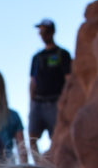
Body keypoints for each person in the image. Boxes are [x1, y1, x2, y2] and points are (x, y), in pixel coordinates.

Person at [29, 19, 72, 155]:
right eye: (40, 32)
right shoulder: (37, 57)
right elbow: (33, 81)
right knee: (31, 138)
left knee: (57, 138)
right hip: (38, 103)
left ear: (52, 32)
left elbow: (68, 80)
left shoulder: (62, 54)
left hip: (55, 103)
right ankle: (38, 167)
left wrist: (64, 103)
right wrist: (31, 103)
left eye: (45, 31)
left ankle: (54, 166)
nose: (42, 35)